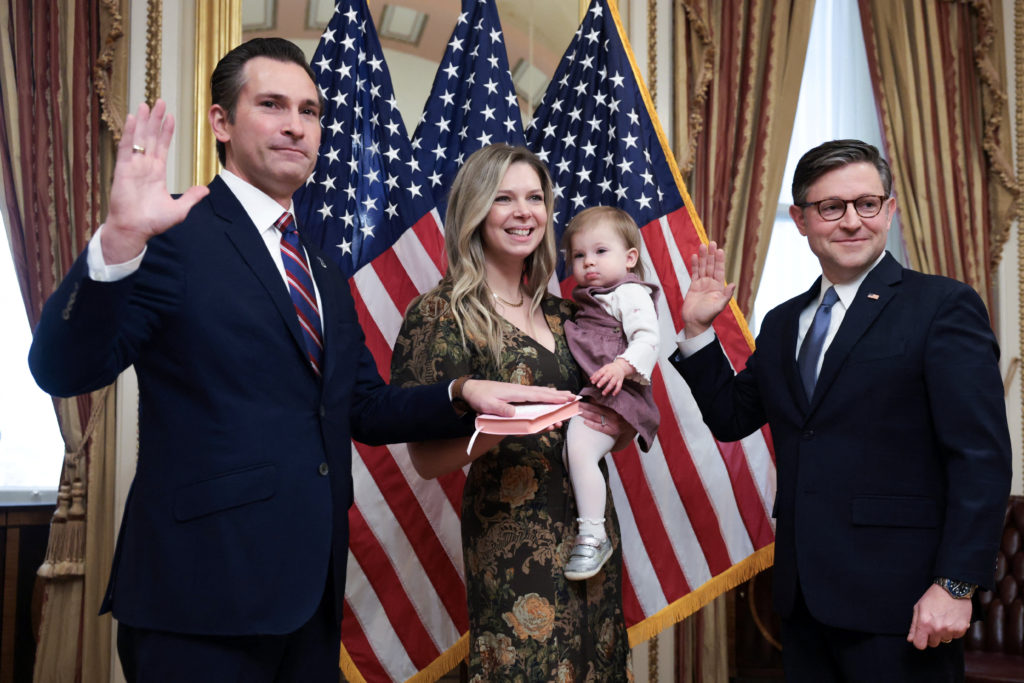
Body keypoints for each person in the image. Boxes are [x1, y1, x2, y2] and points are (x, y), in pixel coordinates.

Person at [27, 38, 571, 682]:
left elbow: (363, 408)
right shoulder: (169, 236)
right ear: (222, 123)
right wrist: (117, 243)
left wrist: (461, 394)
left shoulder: (319, 265)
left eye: (310, 111)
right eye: (272, 105)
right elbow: (62, 371)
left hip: (310, 601)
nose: (296, 125)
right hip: (199, 599)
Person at [671, 139, 1012, 682]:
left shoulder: (943, 307)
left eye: (867, 204)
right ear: (802, 219)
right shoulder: (783, 323)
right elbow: (732, 418)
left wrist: (955, 586)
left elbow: (980, 459)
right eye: (832, 207)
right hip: (804, 601)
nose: (852, 222)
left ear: (889, 210)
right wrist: (696, 332)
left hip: (903, 604)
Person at [390, 144, 632, 680]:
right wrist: (515, 425)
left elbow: (606, 421)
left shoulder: (568, 310)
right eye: (504, 198)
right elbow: (427, 462)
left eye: (534, 198)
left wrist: (614, 424)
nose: (524, 212)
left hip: (591, 533)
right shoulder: (442, 312)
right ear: (475, 211)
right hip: (513, 543)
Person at [559, 206, 660, 580]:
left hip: (618, 395)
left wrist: (622, 366)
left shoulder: (629, 292)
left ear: (630, 257)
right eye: (579, 255)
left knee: (580, 449)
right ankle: (591, 531)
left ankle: (593, 533)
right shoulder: (591, 298)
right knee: (578, 449)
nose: (589, 263)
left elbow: (648, 339)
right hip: (598, 392)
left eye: (601, 252)